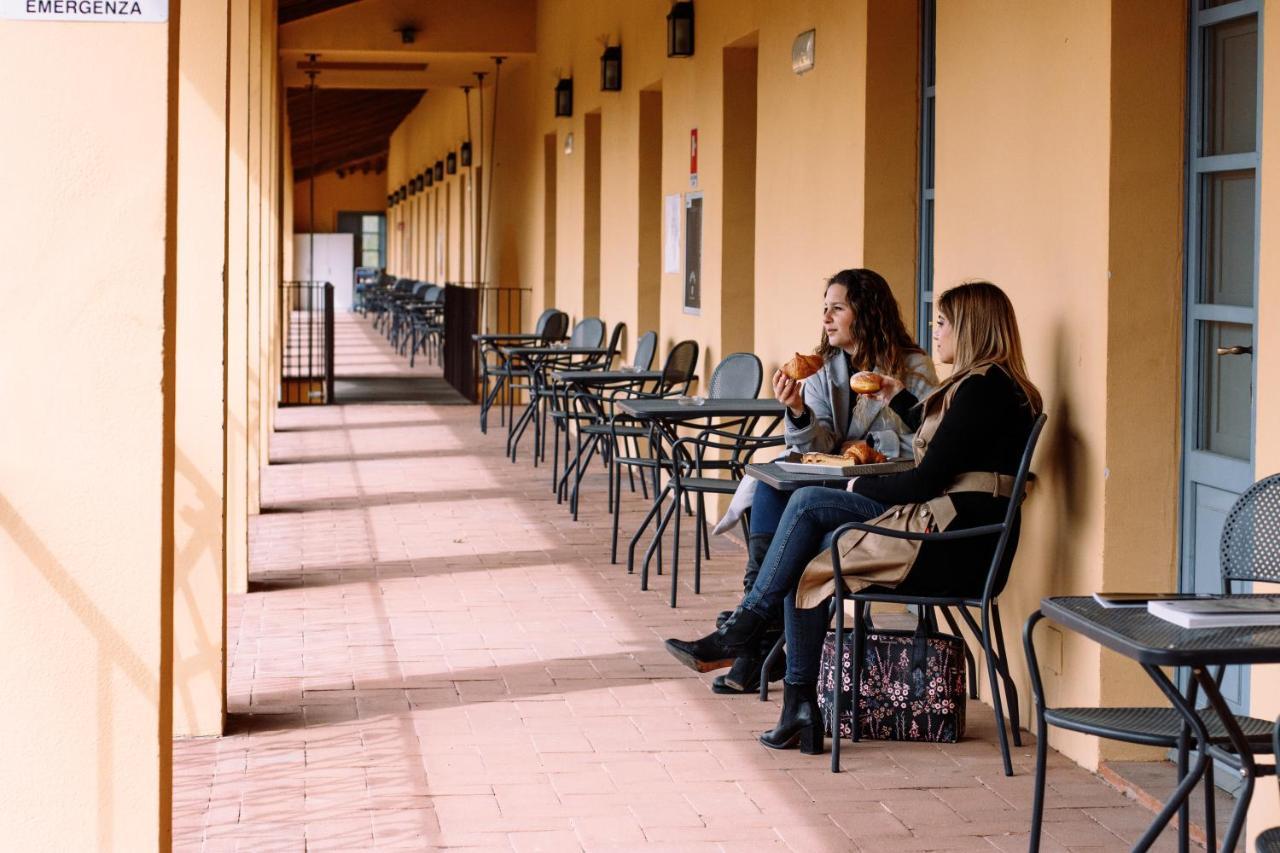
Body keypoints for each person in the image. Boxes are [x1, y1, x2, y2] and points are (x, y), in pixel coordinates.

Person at [666, 281, 1042, 756]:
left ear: (971, 327)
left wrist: (854, 486)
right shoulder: (996, 388)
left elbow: (925, 478)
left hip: (952, 546)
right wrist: (897, 399)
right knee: (803, 531)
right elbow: (956, 450)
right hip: (958, 535)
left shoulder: (983, 390)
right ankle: (788, 691)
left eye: (943, 321)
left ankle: (749, 632)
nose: (936, 330)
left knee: (808, 508)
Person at [712, 268, 937, 695]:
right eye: (824, 309)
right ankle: (755, 641)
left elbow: (926, 439)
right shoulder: (822, 369)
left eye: (838, 308)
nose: (827, 319)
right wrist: (797, 410)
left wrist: (869, 440)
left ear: (866, 312)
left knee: (794, 507)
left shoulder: (912, 368)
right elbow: (819, 444)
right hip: (830, 483)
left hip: (881, 494)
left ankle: (752, 639)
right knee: (768, 486)